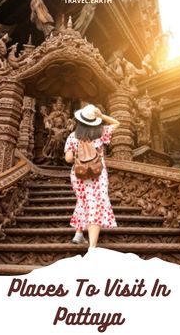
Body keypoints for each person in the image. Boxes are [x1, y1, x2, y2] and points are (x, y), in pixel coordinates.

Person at [64, 104, 120, 250]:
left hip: (79, 175)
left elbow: (68, 159)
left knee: (83, 201)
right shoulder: (101, 132)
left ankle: (78, 234)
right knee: (95, 205)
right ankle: (92, 247)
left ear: (80, 120)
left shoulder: (73, 136)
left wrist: (79, 152)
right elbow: (116, 123)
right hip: (97, 174)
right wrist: (101, 116)